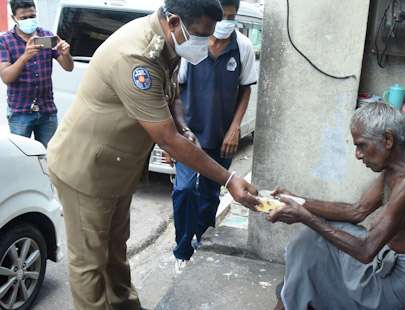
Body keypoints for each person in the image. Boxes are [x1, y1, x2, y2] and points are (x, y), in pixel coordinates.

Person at [46, 0, 259, 309]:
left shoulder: (168, 43)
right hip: (86, 171)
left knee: (115, 249)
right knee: (90, 262)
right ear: (174, 22)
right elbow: (166, 138)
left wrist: (183, 127)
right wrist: (229, 178)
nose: (206, 42)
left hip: (118, 168)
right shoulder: (136, 55)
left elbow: (170, 96)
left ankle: (125, 305)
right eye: (201, 35)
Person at [268, 102, 405, 310]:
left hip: (400, 286)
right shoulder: (395, 168)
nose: (358, 155)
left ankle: (291, 297)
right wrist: (297, 200)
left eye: (361, 145)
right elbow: (356, 211)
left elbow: (366, 251)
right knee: (310, 245)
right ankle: (292, 296)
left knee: (312, 252)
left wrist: (304, 216)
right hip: (387, 262)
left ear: (388, 140)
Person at [171, 0, 258, 271]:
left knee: (210, 195)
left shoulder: (242, 46)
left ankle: (203, 243)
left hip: (221, 137)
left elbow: (245, 89)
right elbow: (176, 90)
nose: (226, 23)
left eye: (232, 17)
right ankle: (182, 251)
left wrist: (235, 128)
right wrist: (181, 129)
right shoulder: (191, 44)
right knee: (184, 190)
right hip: (190, 136)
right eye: (223, 17)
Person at [0, 0, 73, 147]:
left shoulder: (46, 36)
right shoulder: (5, 41)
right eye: (24, 18)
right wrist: (25, 57)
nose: (29, 20)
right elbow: (6, 77)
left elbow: (68, 67)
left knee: (49, 156)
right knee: (21, 157)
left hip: (47, 110)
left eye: (32, 16)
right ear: (14, 18)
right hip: (20, 112)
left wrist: (66, 54)